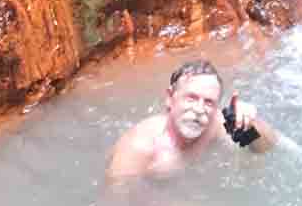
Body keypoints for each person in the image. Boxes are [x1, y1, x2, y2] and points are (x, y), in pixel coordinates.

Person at [106, 59, 279, 183]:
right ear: (170, 98)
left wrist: (250, 123)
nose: (199, 109)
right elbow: (118, 205)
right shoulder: (140, 148)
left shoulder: (216, 124)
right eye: (191, 98)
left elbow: (265, 148)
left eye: (209, 102)